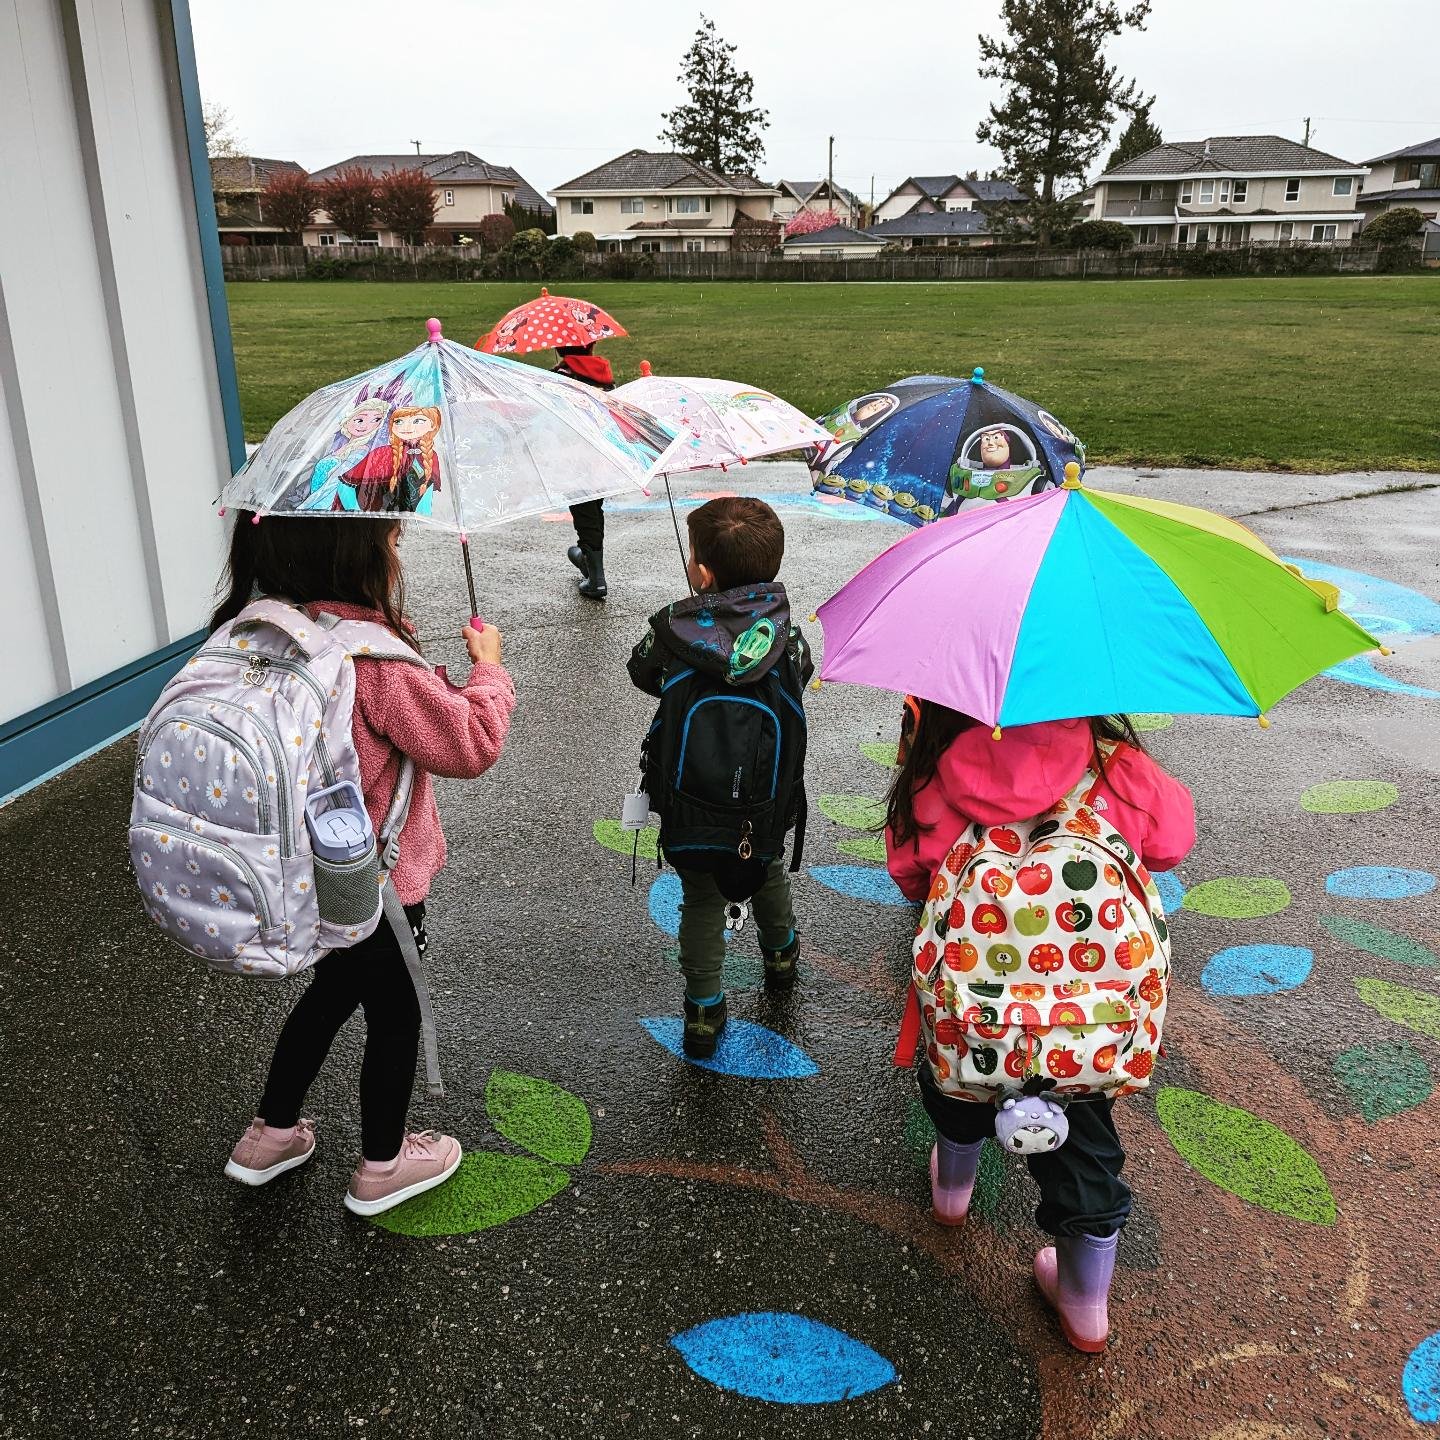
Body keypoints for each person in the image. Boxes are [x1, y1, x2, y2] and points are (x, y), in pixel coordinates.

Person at [217, 515, 515, 1215]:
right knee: (395, 1009)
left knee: (333, 989)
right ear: (352, 555)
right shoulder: (370, 661)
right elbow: (469, 742)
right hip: (375, 885)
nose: (396, 548)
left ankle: (272, 1133)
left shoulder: (263, 633)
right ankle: (382, 1166)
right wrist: (490, 669)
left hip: (300, 875)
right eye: (389, 539)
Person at [885, 703, 1194, 1350]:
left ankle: (952, 1191)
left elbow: (910, 874)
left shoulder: (936, 771)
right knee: (1087, 1149)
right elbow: (1172, 843)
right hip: (1088, 1028)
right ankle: (1084, 1305)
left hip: (975, 1016)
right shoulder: (1120, 769)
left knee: (955, 1093)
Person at [627, 498, 812, 1058]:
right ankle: (780, 952)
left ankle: (703, 1010)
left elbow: (641, 673)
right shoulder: (787, 638)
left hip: (691, 802)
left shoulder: (674, 632)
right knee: (767, 864)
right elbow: (801, 675)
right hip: (763, 802)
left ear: (703, 574)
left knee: (700, 898)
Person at [555, 343, 616, 600]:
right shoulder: (605, 375)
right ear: (591, 345)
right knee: (594, 508)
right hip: (600, 456)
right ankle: (588, 559)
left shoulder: (559, 377)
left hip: (574, 458)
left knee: (584, 512)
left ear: (559, 349)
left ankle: (596, 578)